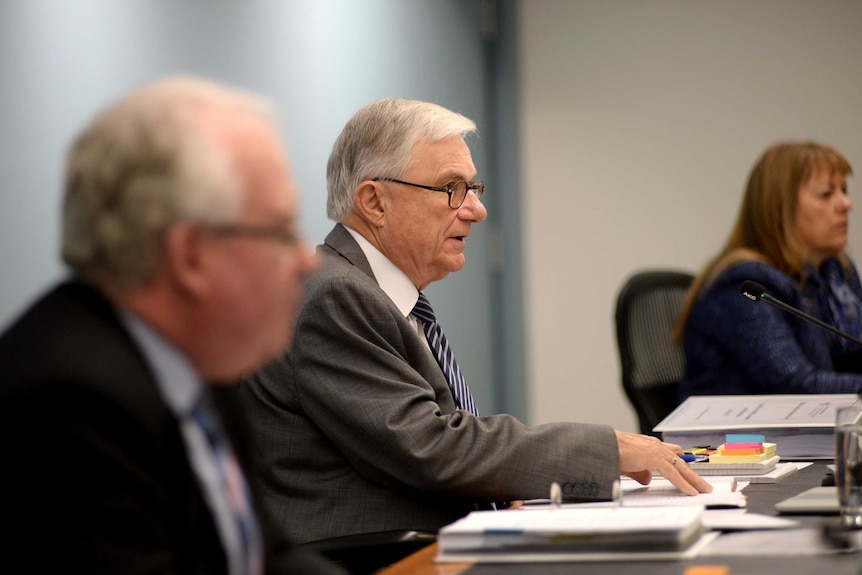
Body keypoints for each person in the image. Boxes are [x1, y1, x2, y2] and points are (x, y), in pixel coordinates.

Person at [238, 97, 711, 545]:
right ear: (375, 202)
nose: (477, 210)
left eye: (473, 188)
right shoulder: (336, 295)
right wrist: (608, 449)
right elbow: (429, 449)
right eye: (451, 188)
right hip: (382, 559)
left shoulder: (373, 294)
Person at [0, 76, 344, 574]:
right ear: (191, 256)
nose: (305, 261)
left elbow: (267, 554)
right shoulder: (66, 406)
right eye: (280, 231)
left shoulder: (199, 361)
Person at [675, 141, 862, 400]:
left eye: (844, 190)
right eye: (826, 194)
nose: (846, 204)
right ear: (780, 209)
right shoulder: (747, 285)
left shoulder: (835, 275)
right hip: (735, 437)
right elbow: (793, 382)